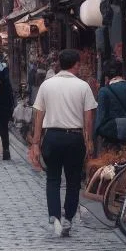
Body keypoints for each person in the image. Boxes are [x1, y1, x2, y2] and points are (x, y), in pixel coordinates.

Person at [29, 48, 97, 238]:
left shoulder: (47, 85)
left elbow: (39, 114)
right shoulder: (83, 86)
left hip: (52, 136)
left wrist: (35, 142)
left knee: (53, 178)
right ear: (76, 65)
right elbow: (88, 118)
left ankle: (54, 216)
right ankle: (68, 217)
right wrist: (89, 140)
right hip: (75, 137)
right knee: (74, 180)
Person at [94, 62, 126, 151]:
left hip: (112, 136)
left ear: (106, 77)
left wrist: (95, 136)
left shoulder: (104, 91)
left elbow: (100, 117)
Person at [0, 50, 15, 161]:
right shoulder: (4, 68)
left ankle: (3, 149)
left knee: (1, 128)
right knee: (3, 128)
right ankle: (5, 149)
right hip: (3, 103)